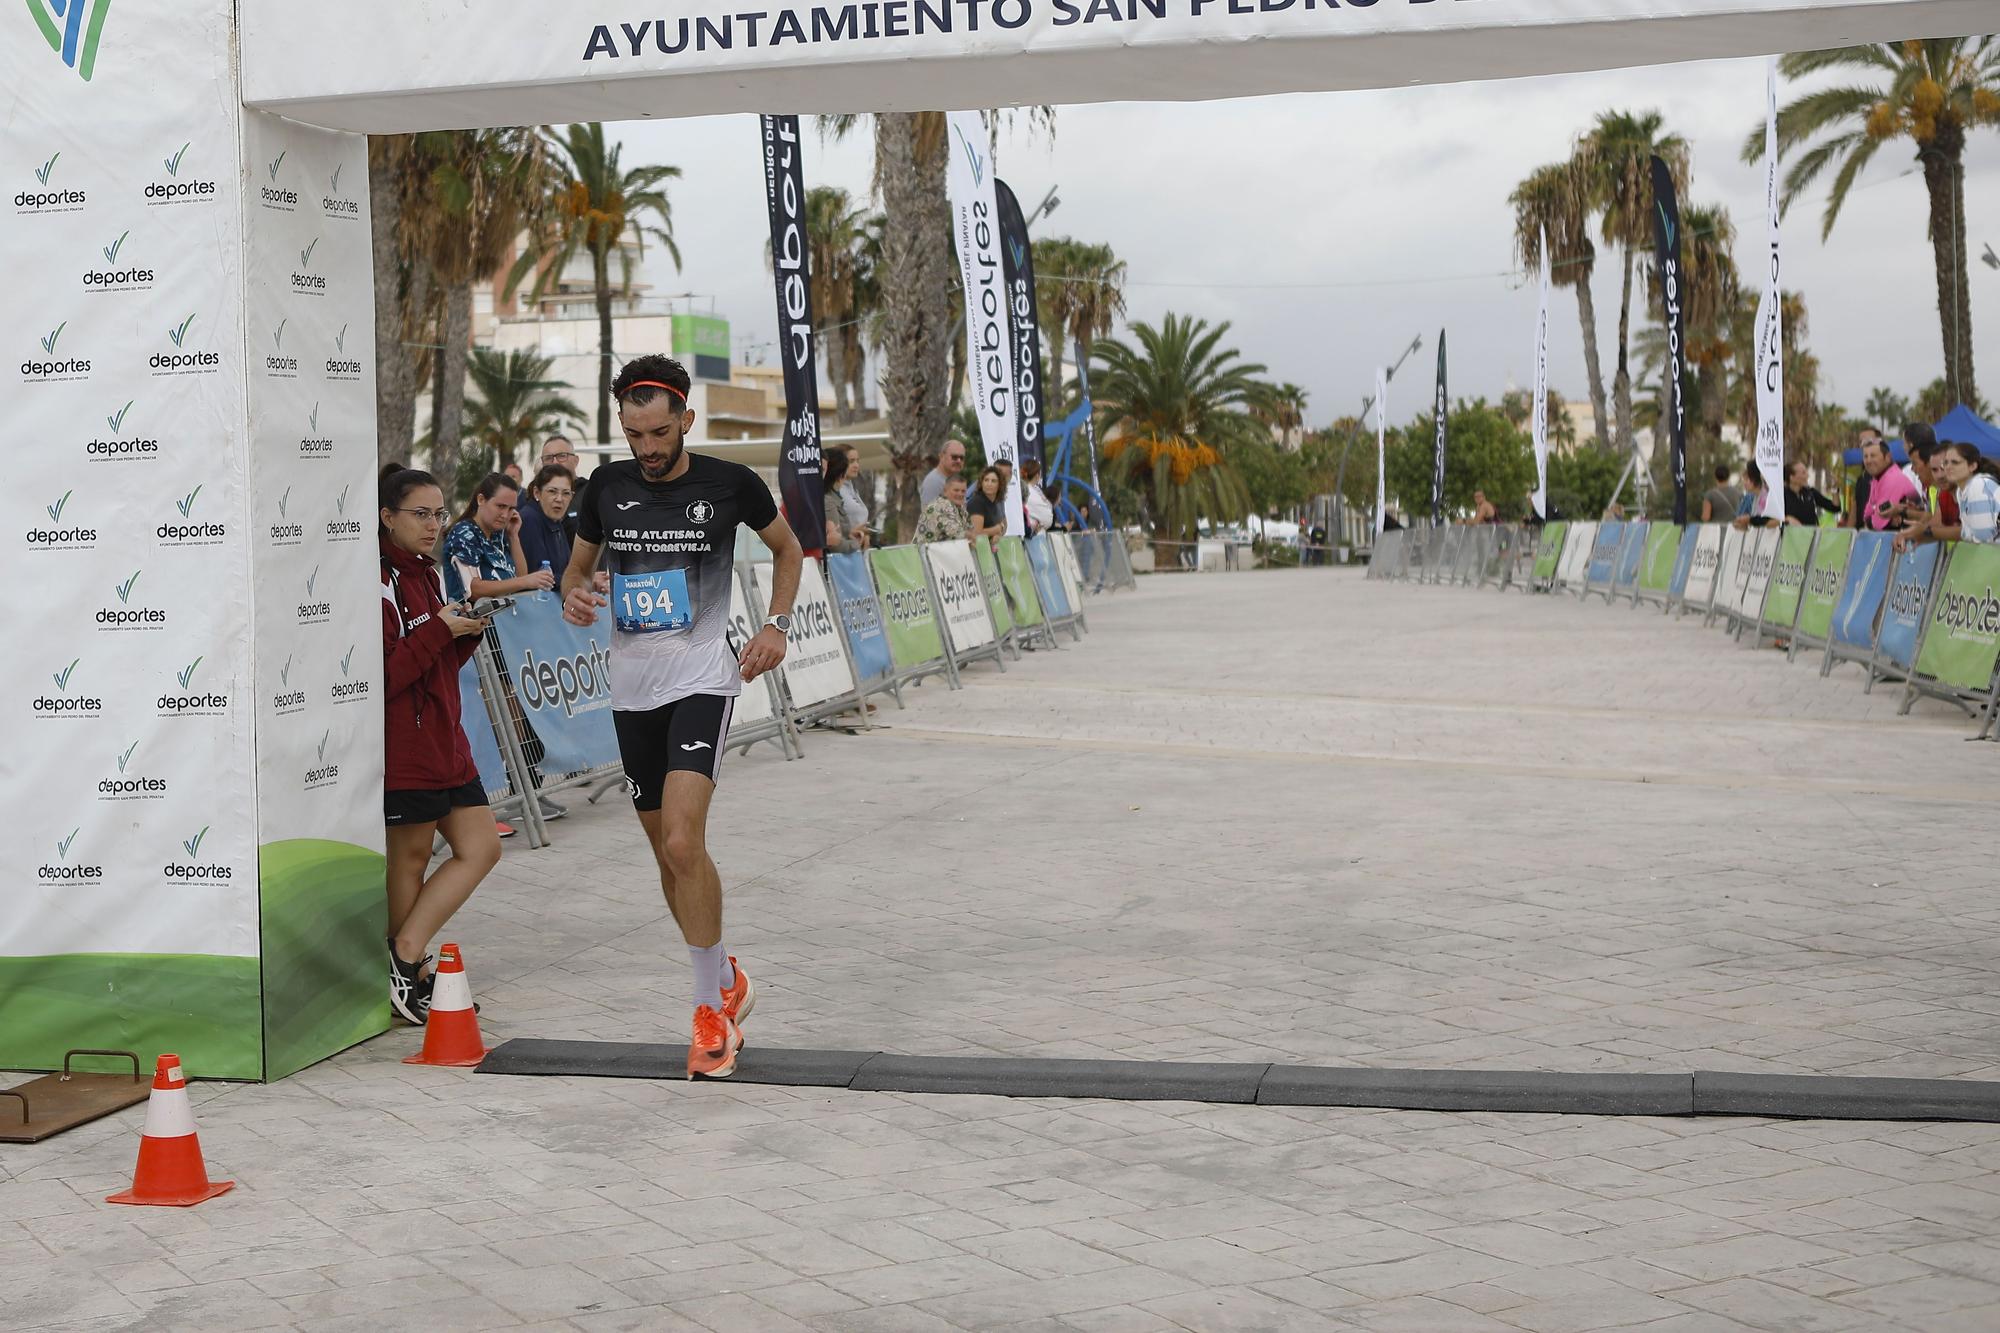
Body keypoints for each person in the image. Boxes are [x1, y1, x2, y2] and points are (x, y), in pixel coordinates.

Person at [560, 354, 803, 1080]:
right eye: (635, 435)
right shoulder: (606, 486)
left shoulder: (730, 482)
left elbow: (788, 549)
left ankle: (709, 1012)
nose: (648, 448)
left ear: (686, 420)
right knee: (667, 855)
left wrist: (777, 624)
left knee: (682, 837)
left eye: (660, 433)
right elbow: (578, 567)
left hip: (703, 680)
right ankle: (724, 972)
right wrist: (573, 594)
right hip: (632, 690)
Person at [379, 469, 502, 1025]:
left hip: (446, 742)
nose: (434, 525)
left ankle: (405, 957)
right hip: (404, 746)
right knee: (408, 859)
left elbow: (434, 664)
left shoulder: (427, 575)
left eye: (439, 514)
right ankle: (408, 968)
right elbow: (381, 677)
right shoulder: (377, 579)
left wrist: (465, 634)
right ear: (387, 517)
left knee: (482, 847)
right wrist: (439, 632)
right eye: (420, 515)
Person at [441, 473, 557, 604]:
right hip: (472, 621)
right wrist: (525, 581)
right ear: (481, 500)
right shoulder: (464, 533)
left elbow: (519, 577)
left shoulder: (498, 533)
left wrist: (513, 536)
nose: (505, 515)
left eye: (511, 508)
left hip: (503, 620)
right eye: (501, 506)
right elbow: (472, 590)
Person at [1899, 441, 2000, 549]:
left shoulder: (1978, 485)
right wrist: (1921, 534)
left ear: (1972, 466)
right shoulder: (1962, 492)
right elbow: (1968, 533)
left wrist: (1926, 532)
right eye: (1945, 463)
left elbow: (1984, 540)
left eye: (1955, 462)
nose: (1948, 468)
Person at [518, 463, 576, 580]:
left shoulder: (555, 519)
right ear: (537, 493)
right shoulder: (529, 519)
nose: (559, 499)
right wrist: (578, 580)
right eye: (552, 491)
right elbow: (539, 575)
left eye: (566, 493)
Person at [1858, 430, 1919, 531]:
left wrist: (1874, 513)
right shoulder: (1878, 478)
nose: (1868, 461)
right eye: (1865, 456)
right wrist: (1874, 513)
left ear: (1888, 457)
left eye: (1873, 456)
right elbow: (1867, 515)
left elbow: (1878, 523)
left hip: (1910, 541)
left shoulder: (1892, 479)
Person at [1782, 460, 1840, 528]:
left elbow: (1835, 507)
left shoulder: (1810, 492)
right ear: (1792, 477)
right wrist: (1787, 519)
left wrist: (1834, 488)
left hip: (1811, 536)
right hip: (1790, 536)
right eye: (1803, 473)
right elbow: (1770, 520)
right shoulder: (1782, 496)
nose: (1808, 475)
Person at [916, 475, 972, 544]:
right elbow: (956, 533)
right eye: (956, 490)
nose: (960, 494)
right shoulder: (941, 505)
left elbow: (970, 529)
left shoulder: (960, 506)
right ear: (945, 491)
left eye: (963, 491)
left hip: (942, 551)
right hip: (924, 552)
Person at [821, 448, 855, 555]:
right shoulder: (828, 501)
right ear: (841, 475)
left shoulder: (832, 499)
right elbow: (835, 543)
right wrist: (856, 544)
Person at [837, 444, 871, 548]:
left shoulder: (852, 488)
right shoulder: (835, 491)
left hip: (859, 548)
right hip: (844, 550)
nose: (856, 465)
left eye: (857, 461)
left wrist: (866, 534)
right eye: (851, 461)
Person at [918, 439, 967, 508]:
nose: (958, 461)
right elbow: (930, 516)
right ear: (941, 456)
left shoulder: (953, 480)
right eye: (954, 457)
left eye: (961, 458)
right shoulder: (934, 482)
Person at [966, 465, 1008, 545]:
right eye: (986, 480)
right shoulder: (977, 502)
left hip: (990, 549)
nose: (989, 484)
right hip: (976, 551)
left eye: (993, 481)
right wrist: (995, 530)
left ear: (1000, 485)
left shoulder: (998, 501)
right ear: (981, 483)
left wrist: (999, 533)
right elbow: (976, 533)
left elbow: (1004, 525)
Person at [1732, 461, 1776, 529]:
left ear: (1755, 480)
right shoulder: (1755, 496)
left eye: (1747, 479)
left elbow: (1761, 521)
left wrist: (1749, 521)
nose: (1744, 483)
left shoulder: (1765, 496)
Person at [1020, 458, 1054, 536]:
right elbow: (1048, 519)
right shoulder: (1029, 491)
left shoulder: (1034, 489)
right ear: (1037, 475)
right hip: (1032, 537)